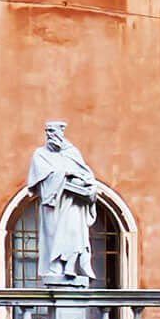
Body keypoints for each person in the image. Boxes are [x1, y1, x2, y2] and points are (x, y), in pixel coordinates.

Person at [24, 122, 100, 286]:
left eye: (52, 131)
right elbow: (39, 180)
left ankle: (71, 265)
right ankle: (57, 267)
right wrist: (66, 174)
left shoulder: (72, 153)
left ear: (61, 132)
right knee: (54, 237)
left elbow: (87, 176)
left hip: (74, 205)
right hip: (53, 206)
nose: (49, 134)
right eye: (47, 131)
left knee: (74, 234)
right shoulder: (40, 154)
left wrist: (88, 187)